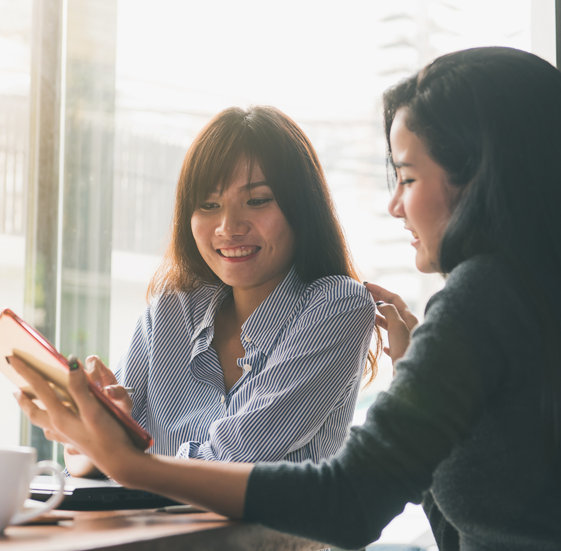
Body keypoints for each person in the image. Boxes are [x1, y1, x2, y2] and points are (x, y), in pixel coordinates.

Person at [12, 46, 561, 550]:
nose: (396, 205)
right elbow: (467, 533)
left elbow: (349, 501)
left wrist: (133, 463)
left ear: (483, 177)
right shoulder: (521, 298)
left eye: (409, 178)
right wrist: (99, 440)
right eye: (208, 205)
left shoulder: (475, 298)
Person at [57, 105, 380, 477]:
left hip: (263, 538)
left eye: (257, 200)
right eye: (209, 205)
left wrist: (119, 454)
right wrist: (85, 429)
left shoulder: (338, 306)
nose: (228, 227)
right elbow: (91, 460)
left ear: (302, 207)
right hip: (149, 535)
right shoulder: (170, 312)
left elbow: (235, 458)